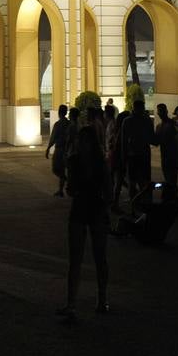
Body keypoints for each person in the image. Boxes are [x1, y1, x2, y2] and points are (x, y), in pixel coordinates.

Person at [57, 125, 110, 321]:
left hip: (83, 208)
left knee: (82, 259)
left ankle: (74, 303)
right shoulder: (99, 163)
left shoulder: (75, 161)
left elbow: (71, 189)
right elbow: (108, 189)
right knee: (94, 257)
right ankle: (100, 300)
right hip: (92, 208)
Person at [120, 98, 157, 201]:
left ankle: (134, 202)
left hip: (132, 154)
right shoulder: (147, 120)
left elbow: (124, 141)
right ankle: (147, 201)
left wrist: (123, 157)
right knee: (145, 180)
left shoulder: (127, 121)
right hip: (144, 153)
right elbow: (152, 138)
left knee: (132, 180)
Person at [46, 105, 71, 197]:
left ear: (59, 113)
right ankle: (61, 189)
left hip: (60, 149)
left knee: (56, 169)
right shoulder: (69, 124)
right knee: (63, 169)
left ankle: (67, 181)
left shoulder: (58, 124)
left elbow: (53, 138)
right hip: (67, 149)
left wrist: (48, 148)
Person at [156, 104, 178, 190]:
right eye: (159, 111)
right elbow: (156, 141)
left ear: (166, 111)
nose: (160, 113)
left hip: (172, 157)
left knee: (172, 182)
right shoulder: (159, 126)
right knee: (168, 180)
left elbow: (177, 141)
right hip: (165, 157)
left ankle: (173, 200)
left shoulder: (171, 124)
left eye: (161, 111)